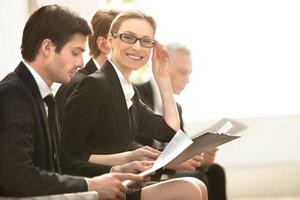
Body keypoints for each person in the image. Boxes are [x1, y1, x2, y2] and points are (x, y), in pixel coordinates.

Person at [0, 5, 155, 199]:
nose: (81, 63)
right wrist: (91, 185)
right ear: (47, 48)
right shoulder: (13, 94)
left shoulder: (42, 95)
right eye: (75, 52)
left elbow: (62, 165)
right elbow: (18, 179)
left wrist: (115, 170)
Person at [61, 10, 208, 200]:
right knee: (190, 189)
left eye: (146, 41)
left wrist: (163, 78)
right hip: (99, 187)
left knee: (197, 185)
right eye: (129, 37)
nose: (138, 47)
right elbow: (66, 158)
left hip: (123, 183)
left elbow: (168, 130)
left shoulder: (126, 89)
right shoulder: (94, 84)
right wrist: (120, 163)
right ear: (110, 40)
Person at [136, 42, 227, 200]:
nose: (187, 80)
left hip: (170, 166)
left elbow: (181, 147)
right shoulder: (136, 95)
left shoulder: (176, 108)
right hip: (147, 167)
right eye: (182, 72)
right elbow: (129, 144)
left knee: (215, 170)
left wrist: (200, 158)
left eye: (189, 73)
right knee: (197, 178)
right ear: (162, 66)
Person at [55, 9, 119, 123]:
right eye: (126, 39)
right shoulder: (80, 85)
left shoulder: (120, 85)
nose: (135, 47)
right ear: (103, 44)